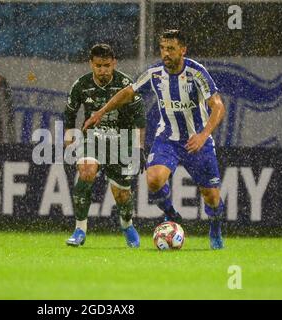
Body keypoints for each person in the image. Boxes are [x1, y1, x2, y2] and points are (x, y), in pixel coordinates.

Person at [84, 30, 226, 250]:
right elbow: (128, 92)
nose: (165, 53)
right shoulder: (155, 73)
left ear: (182, 50)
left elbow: (218, 106)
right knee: (153, 179)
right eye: (162, 48)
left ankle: (215, 229)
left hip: (198, 141)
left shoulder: (197, 73)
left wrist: (204, 134)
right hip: (167, 139)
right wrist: (100, 112)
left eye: (171, 48)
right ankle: (172, 216)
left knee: (211, 197)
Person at [64, 44, 179, 248]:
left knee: (122, 195)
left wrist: (139, 149)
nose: (103, 70)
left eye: (107, 65)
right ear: (91, 64)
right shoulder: (81, 85)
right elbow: (70, 113)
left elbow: (140, 119)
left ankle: (127, 225)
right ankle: (80, 229)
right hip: (93, 139)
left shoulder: (125, 84)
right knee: (86, 171)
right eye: (98, 66)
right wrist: (68, 136)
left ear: (114, 63)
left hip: (123, 141)